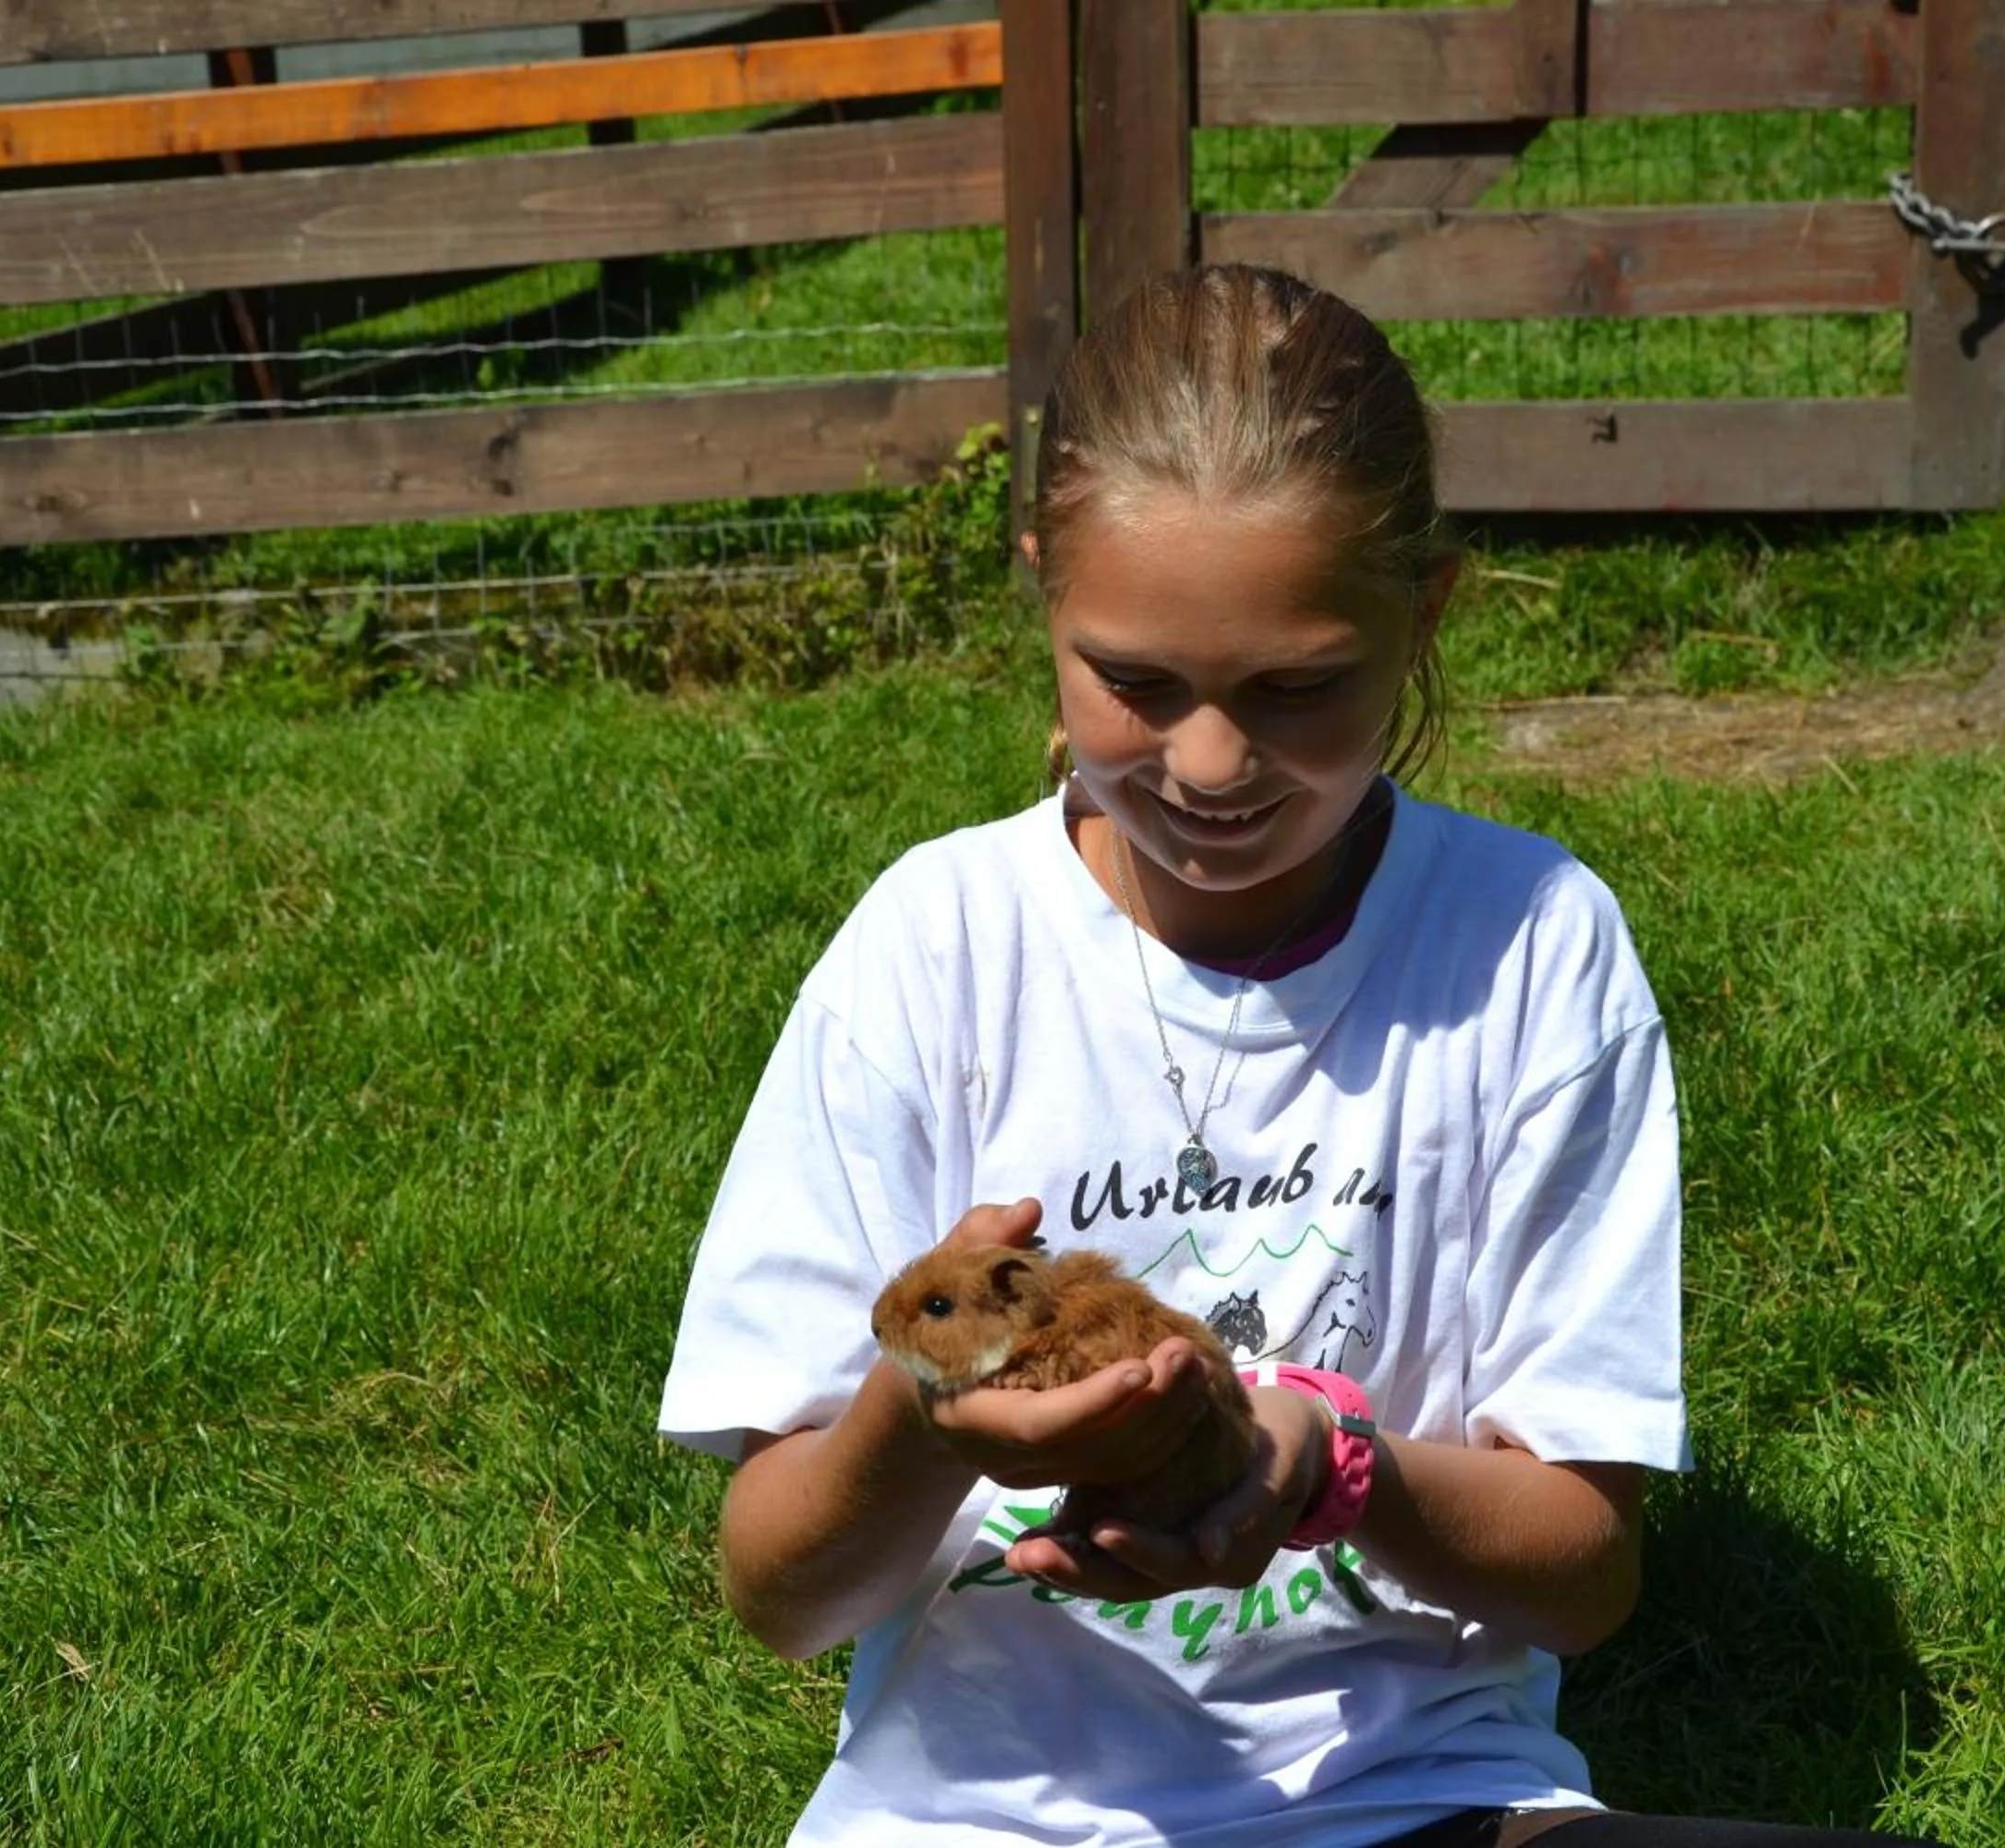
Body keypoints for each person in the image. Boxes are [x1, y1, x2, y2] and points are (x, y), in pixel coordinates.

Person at [659, 263, 1938, 1848]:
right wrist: (921, 1416)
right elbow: (782, 1594)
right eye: (1136, 683)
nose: (1210, 763)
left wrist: (1337, 1474)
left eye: (1298, 688)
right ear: (1044, 599)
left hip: (1410, 1801)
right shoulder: (935, 946)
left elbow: (1583, 1579)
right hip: (982, 1818)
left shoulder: (1531, 941)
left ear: (1427, 613)